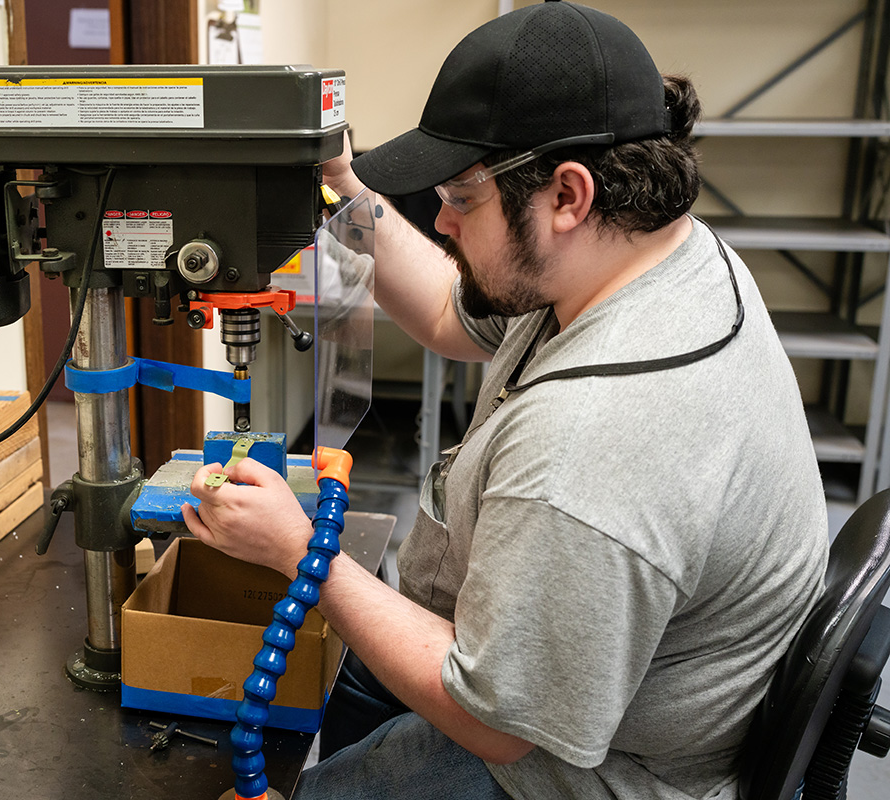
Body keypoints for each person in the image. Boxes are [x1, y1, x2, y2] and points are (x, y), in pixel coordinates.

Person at [181, 2, 830, 798]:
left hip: (576, 770)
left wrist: (297, 553)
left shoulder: (596, 441)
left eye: (461, 196)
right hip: (543, 669)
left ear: (568, 195)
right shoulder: (652, 254)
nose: (443, 223)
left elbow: (497, 723)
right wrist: (342, 187)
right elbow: (452, 314)